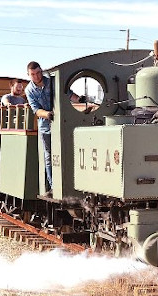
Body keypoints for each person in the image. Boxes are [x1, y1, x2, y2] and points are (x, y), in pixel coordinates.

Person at [25, 61, 98, 197]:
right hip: (46, 126)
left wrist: (80, 99)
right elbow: (36, 110)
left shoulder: (52, 82)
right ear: (29, 75)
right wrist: (47, 114)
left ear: (41, 71)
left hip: (62, 123)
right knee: (49, 156)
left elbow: (69, 95)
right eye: (33, 74)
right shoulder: (29, 90)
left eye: (38, 73)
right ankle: (53, 185)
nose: (36, 76)